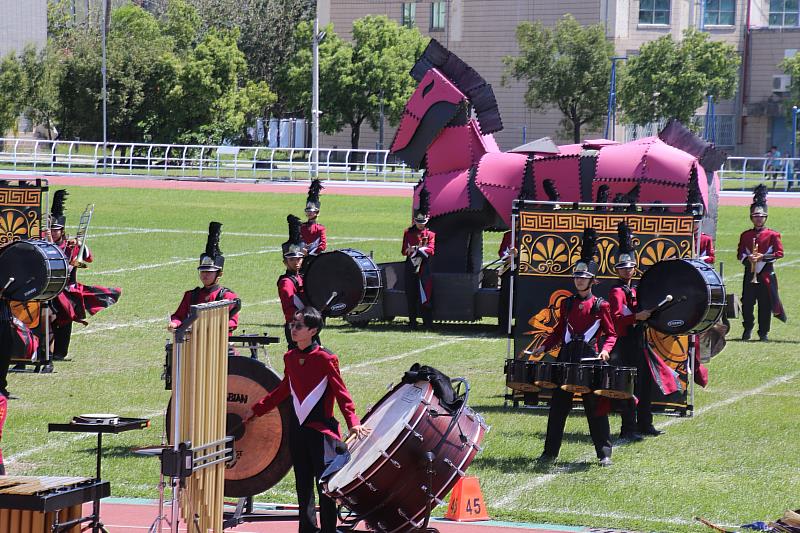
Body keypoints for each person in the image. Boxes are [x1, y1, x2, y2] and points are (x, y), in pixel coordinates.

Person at [243, 306, 369, 533]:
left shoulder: (326, 358)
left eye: (299, 326)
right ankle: (307, 529)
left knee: (325, 485)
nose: (293, 329)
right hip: (298, 430)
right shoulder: (290, 357)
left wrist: (353, 422)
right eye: (293, 324)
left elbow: (341, 392)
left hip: (321, 432)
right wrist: (257, 410)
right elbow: (284, 389)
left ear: (313, 330)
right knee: (303, 483)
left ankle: (328, 529)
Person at [530, 228, 616, 466]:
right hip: (566, 358)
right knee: (558, 408)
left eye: (583, 277)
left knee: (595, 409)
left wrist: (605, 350)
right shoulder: (567, 303)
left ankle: (604, 454)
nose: (579, 280)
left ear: (592, 280)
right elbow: (559, 331)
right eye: (577, 277)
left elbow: (611, 334)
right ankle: (549, 453)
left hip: (590, 360)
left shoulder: (601, 305)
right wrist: (544, 347)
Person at [49, 190, 120, 363]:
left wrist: (81, 244)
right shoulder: (45, 245)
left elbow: (88, 258)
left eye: (56, 230)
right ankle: (46, 350)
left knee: (66, 317)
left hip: (68, 290)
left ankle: (60, 352)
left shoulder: (71, 246)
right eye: (51, 230)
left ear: (62, 230)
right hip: (50, 288)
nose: (53, 233)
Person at [607, 222, 662, 441]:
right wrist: (637, 317)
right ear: (617, 270)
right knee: (628, 386)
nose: (627, 271)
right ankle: (628, 429)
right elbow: (616, 319)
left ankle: (645, 424)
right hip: (625, 343)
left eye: (629, 267)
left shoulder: (636, 289)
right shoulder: (616, 291)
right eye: (623, 268)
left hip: (640, 341)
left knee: (645, 384)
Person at [169, 222, 240, 334]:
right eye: (202, 271)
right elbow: (178, 316)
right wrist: (174, 323)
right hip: (194, 342)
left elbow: (233, 322)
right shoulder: (190, 295)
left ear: (219, 274)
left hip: (219, 342)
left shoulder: (228, 297)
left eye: (209, 272)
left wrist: (212, 325)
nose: (205, 275)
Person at [738, 185, 786, 342]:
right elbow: (740, 253)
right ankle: (747, 328)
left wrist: (762, 257)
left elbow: (779, 253)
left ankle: (763, 332)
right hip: (750, 274)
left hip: (766, 274)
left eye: (761, 216)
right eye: (755, 216)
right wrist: (749, 259)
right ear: (751, 218)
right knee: (747, 303)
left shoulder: (773, 235)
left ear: (765, 217)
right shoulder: (745, 235)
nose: (758, 219)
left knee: (765, 305)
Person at [402, 187, 436, 330]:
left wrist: (417, 249)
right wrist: (410, 250)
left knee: (425, 296)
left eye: (423, 222)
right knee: (411, 296)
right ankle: (412, 322)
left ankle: (427, 323)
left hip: (424, 268)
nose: (420, 224)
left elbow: (431, 250)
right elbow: (404, 251)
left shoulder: (431, 234)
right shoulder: (408, 233)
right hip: (410, 267)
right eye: (418, 222)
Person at [278, 215, 309, 348]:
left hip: (306, 325)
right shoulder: (286, 282)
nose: (296, 262)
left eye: (298, 259)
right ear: (285, 262)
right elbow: (289, 310)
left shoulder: (301, 277)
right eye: (291, 260)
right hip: (296, 327)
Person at [300, 179, 327, 261]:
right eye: (308, 211)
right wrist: (302, 250)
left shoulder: (320, 228)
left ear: (316, 212)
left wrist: (310, 253)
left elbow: (323, 245)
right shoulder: (301, 226)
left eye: (311, 212)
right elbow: (297, 241)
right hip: (301, 255)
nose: (309, 213)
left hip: (315, 257)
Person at [498, 230, 516, 333]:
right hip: (509, 270)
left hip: (523, 271)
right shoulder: (508, 235)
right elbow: (502, 251)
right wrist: (507, 257)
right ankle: (503, 327)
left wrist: (518, 254)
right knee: (505, 297)